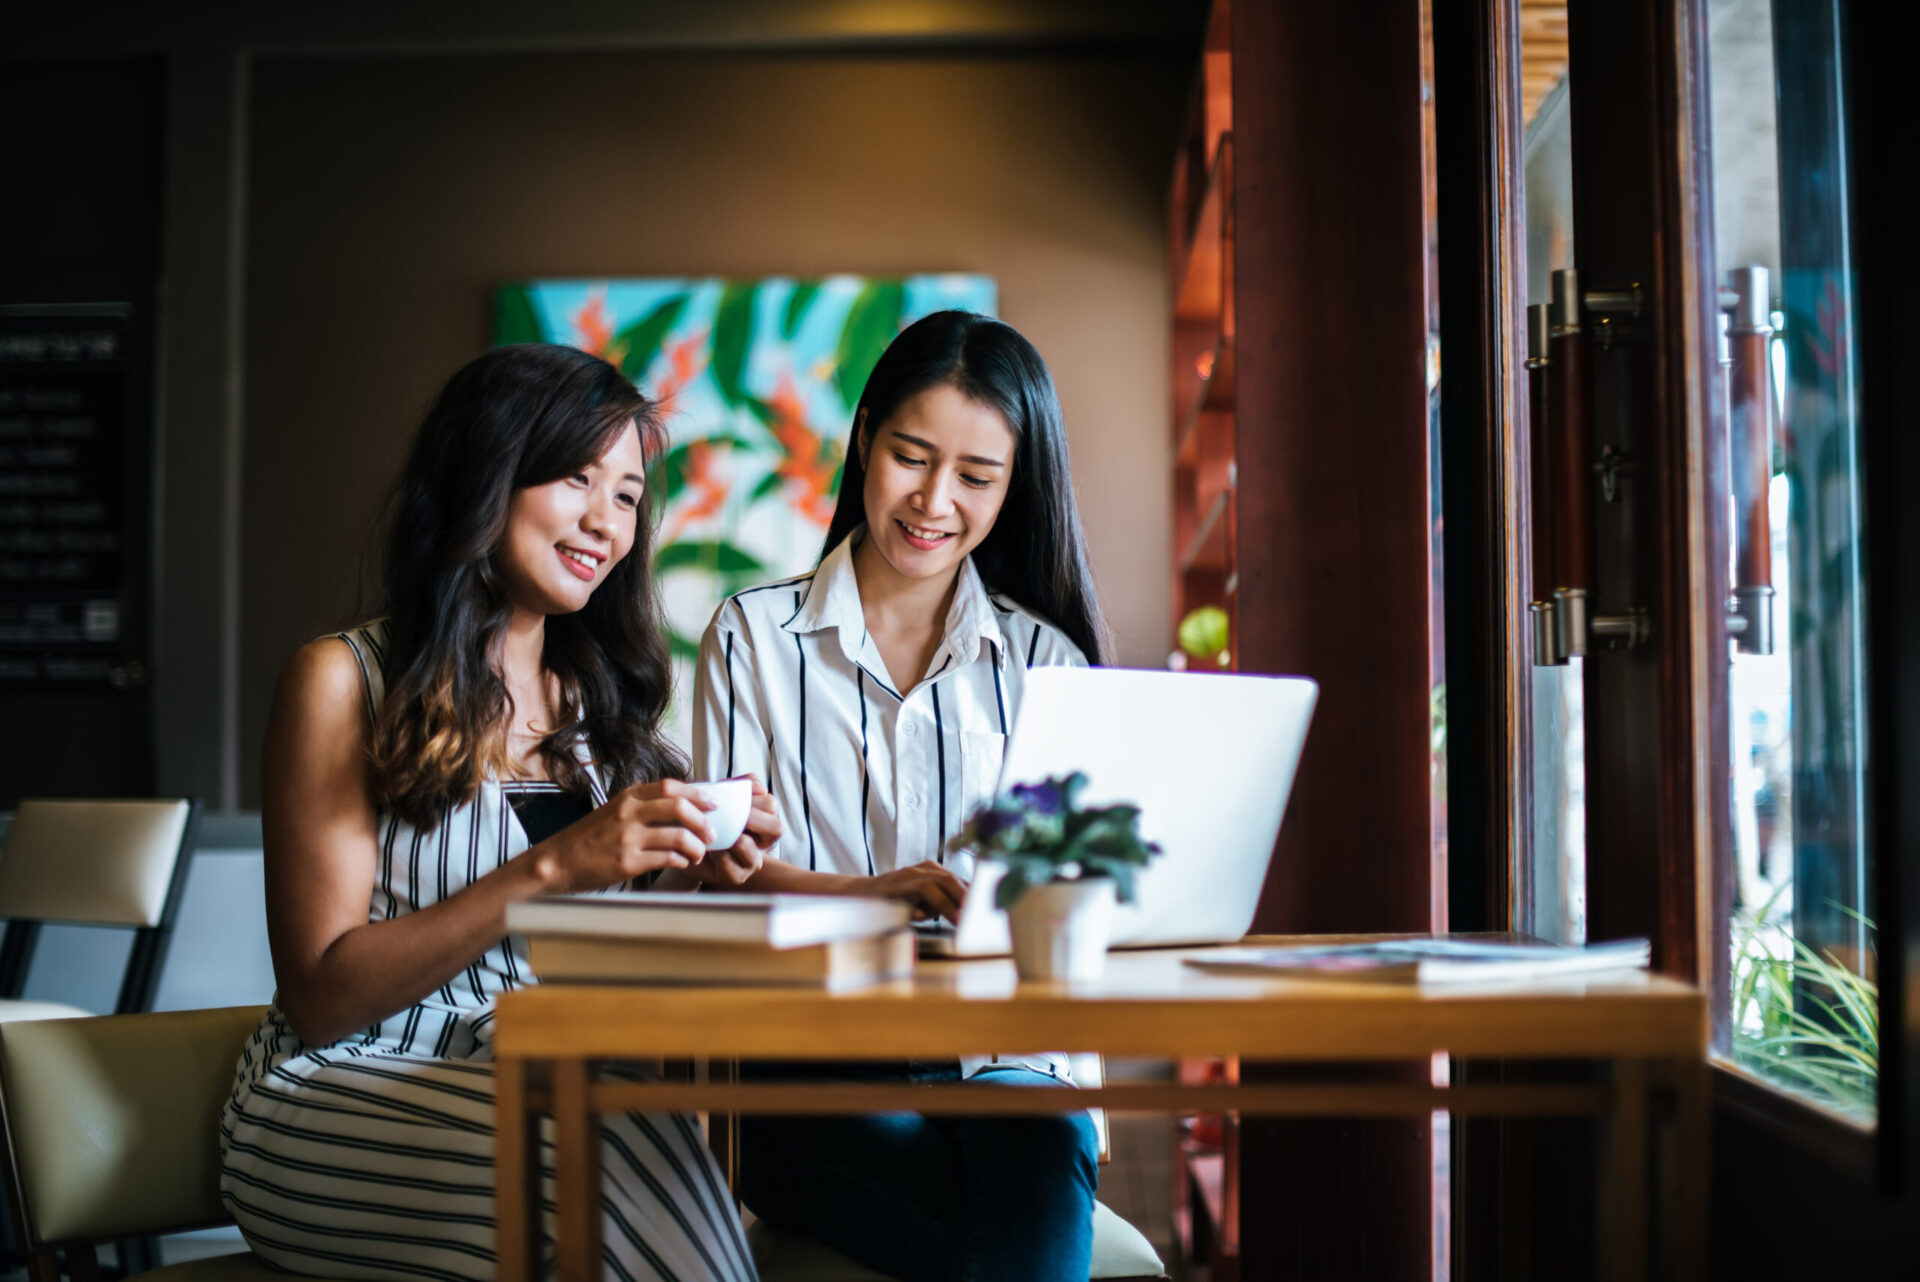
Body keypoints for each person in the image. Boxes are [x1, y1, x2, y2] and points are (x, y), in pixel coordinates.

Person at [220, 344, 773, 1281]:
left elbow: (607, 954)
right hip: (350, 1084)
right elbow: (320, 996)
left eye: (630, 497)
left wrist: (690, 877)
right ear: (488, 474)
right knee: (617, 1165)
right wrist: (559, 868)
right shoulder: (342, 681)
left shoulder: (602, 708)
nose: (608, 522)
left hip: (543, 1069)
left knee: (654, 1150)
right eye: (575, 478)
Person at [690, 311, 1105, 1282]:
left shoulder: (1050, 662)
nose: (933, 501)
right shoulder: (751, 639)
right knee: (1022, 1221)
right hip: (814, 1066)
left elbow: (1077, 905)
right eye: (911, 457)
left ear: (1018, 484)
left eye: (976, 476)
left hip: (1008, 1061)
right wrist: (880, 894)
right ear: (865, 435)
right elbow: (722, 882)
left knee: (1032, 1147)